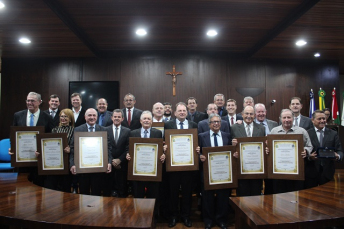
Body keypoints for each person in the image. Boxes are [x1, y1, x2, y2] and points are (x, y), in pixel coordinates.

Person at [197, 113, 236, 229]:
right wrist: (200, 157)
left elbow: (231, 152)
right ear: (209, 124)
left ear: (221, 124)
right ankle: (208, 220)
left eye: (218, 122)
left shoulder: (227, 136)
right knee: (207, 198)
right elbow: (196, 152)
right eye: (213, 122)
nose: (216, 124)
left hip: (223, 173)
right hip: (207, 173)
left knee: (222, 197)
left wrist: (235, 154)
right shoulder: (201, 136)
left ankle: (221, 220)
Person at [126, 111, 166, 218]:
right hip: (138, 171)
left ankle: (153, 218)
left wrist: (162, 155)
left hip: (153, 171)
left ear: (152, 121)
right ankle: (138, 217)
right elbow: (128, 148)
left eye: (149, 119)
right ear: (140, 121)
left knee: (153, 197)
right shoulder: (133, 133)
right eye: (145, 119)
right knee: (138, 196)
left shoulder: (158, 133)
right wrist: (127, 155)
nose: (147, 121)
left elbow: (160, 149)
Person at [164, 102, 198, 228]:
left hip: (188, 166)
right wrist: (165, 146)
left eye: (184, 110)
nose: (182, 112)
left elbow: (196, 142)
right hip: (173, 165)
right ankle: (173, 216)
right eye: (180, 111)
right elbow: (165, 141)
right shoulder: (168, 125)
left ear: (187, 112)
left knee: (187, 193)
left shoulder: (193, 125)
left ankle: (186, 216)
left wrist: (197, 149)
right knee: (172, 193)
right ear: (175, 113)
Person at [11, 92, 54, 186]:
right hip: (22, 160)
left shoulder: (47, 117)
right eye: (28, 100)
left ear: (39, 102)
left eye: (32, 101)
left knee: (38, 188)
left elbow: (50, 137)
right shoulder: (18, 115)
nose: (29, 103)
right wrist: (12, 147)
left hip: (38, 160)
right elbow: (14, 135)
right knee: (22, 188)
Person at [69, 108, 112, 196]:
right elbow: (72, 148)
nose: (92, 117)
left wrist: (109, 162)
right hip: (82, 170)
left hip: (98, 170)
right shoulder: (78, 130)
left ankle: (96, 210)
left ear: (97, 117)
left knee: (97, 193)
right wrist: (72, 164)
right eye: (89, 115)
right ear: (85, 117)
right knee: (83, 194)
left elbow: (108, 148)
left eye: (94, 115)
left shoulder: (103, 130)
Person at [270, 109, 313, 193]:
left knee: (295, 193)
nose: (286, 120)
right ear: (280, 119)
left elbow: (309, 145)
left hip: (296, 171)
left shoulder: (302, 131)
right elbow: (269, 147)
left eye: (289, 117)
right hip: (278, 171)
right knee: (279, 194)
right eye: (284, 117)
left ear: (293, 118)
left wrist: (306, 151)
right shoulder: (274, 131)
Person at [231, 105, 265, 196]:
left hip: (257, 168)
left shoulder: (261, 128)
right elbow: (230, 146)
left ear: (254, 115)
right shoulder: (234, 128)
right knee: (242, 195)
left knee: (256, 195)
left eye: (251, 114)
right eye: (246, 113)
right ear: (242, 114)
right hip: (241, 168)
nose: (248, 116)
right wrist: (233, 145)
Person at [305, 110, 343, 188]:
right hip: (311, 172)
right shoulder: (307, 133)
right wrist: (309, 157)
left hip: (328, 172)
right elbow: (302, 151)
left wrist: (338, 156)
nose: (322, 121)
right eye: (319, 119)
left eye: (324, 118)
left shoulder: (333, 133)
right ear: (313, 120)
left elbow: (340, 150)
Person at [43, 108, 75, 192]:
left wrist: (70, 150)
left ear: (70, 118)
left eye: (66, 116)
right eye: (61, 116)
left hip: (66, 162)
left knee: (65, 186)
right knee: (52, 185)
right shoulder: (54, 130)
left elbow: (76, 147)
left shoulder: (74, 131)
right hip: (54, 162)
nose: (63, 118)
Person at [103, 109, 131, 197]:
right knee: (107, 191)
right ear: (111, 118)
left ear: (122, 119)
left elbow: (128, 148)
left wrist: (119, 160)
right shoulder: (105, 130)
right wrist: (111, 160)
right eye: (115, 116)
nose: (116, 118)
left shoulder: (127, 131)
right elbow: (105, 147)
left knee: (122, 192)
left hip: (122, 166)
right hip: (108, 166)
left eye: (119, 117)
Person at [254, 103, 278, 194]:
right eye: (258, 112)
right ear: (255, 113)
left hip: (270, 158)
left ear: (266, 112)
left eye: (262, 111)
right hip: (257, 158)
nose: (261, 114)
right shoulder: (251, 124)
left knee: (270, 184)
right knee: (257, 184)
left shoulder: (274, 124)